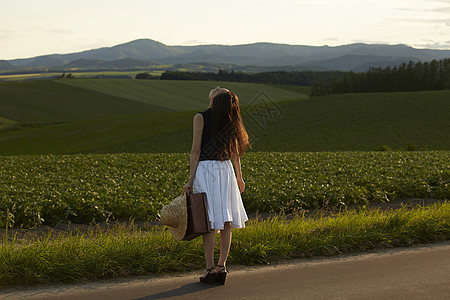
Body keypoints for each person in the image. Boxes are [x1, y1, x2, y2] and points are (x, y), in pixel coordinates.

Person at [182, 86, 250, 285]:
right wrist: (239, 177)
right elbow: (235, 151)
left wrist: (190, 179)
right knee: (226, 220)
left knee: (209, 222)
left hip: (206, 170)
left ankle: (210, 268)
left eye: (220, 90)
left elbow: (195, 152)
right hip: (225, 169)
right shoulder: (231, 117)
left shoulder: (200, 117)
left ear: (214, 100)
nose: (218, 87)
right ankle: (222, 266)